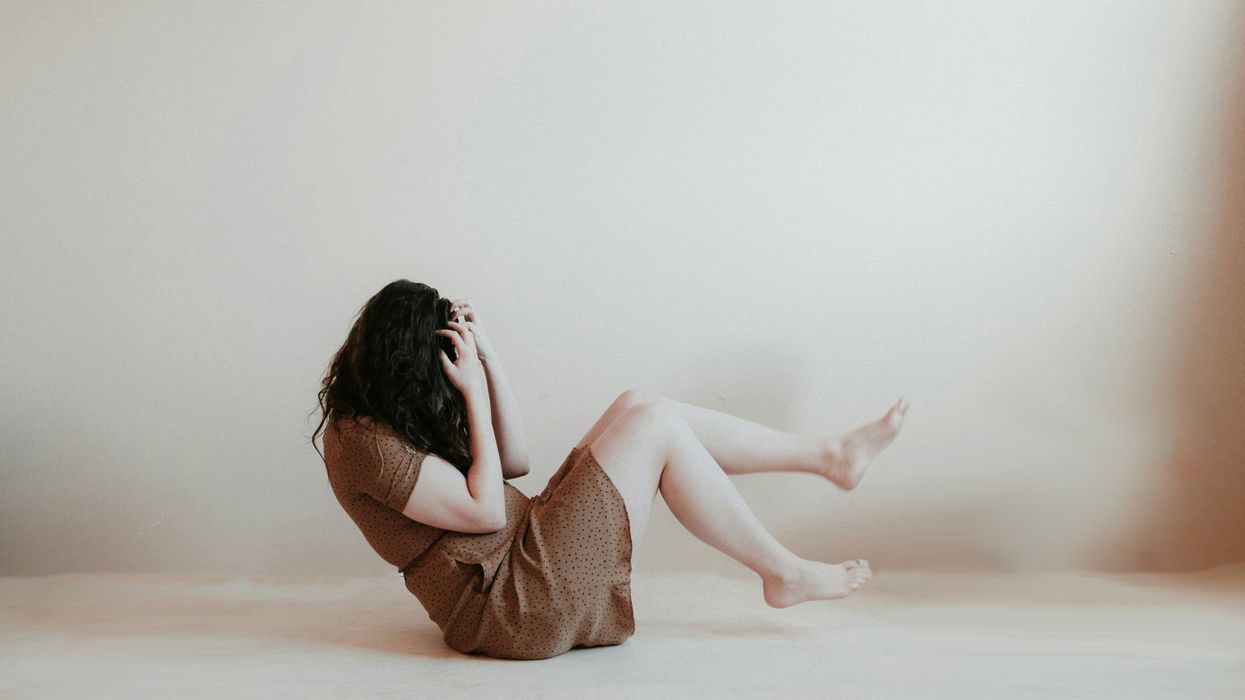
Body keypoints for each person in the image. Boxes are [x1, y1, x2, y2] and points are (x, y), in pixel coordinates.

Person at [312, 279, 906, 660]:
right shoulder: (361, 441)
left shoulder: (391, 412)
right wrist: (468, 394)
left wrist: (488, 361)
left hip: (525, 555)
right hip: (511, 607)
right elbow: (486, 508)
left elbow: (514, 463)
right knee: (652, 425)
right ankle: (785, 571)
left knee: (639, 406)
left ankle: (828, 457)